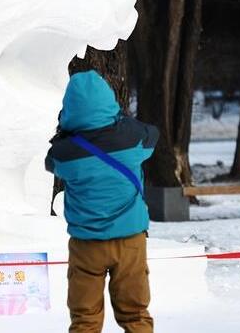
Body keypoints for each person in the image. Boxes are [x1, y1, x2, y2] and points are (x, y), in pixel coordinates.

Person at [45, 70, 158, 333]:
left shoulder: (65, 152)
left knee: (85, 319)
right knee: (136, 315)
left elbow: (51, 163)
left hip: (86, 244)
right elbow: (153, 135)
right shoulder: (133, 138)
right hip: (130, 240)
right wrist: (120, 120)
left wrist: (66, 131)